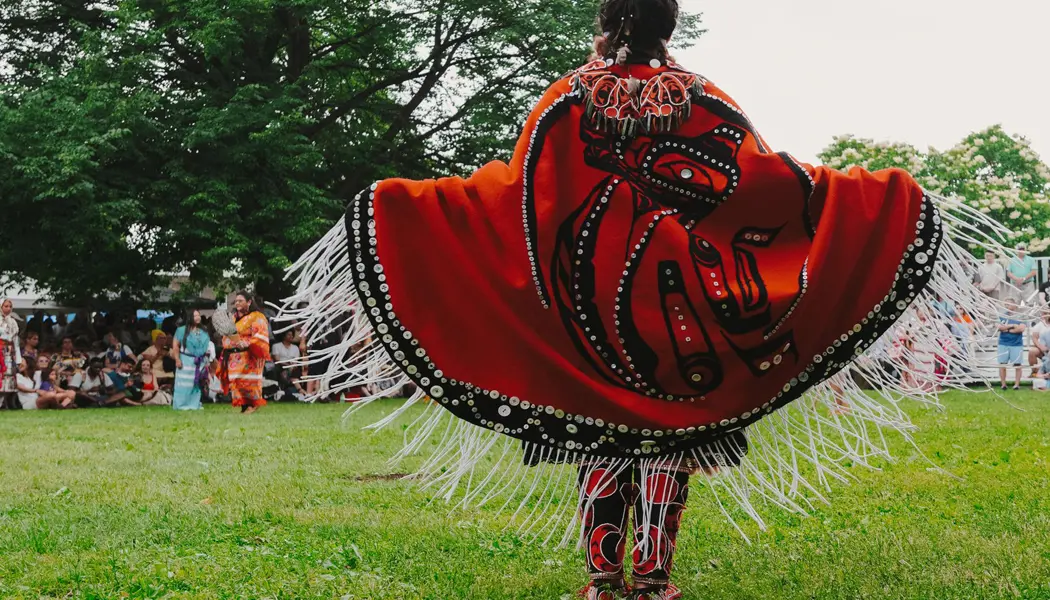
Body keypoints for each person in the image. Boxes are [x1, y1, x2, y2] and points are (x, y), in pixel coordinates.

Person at [279, 3, 1012, 598]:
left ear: (604, 26)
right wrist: (870, 202)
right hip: (687, 308)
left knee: (603, 438)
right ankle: (654, 579)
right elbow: (767, 187)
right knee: (672, 440)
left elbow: (519, 200)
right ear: (669, 26)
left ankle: (604, 580)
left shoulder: (565, 98)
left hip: (587, 305)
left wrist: (410, 210)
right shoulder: (705, 99)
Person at [217, 291, 271, 414]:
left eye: (240, 301)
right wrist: (229, 344)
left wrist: (247, 343)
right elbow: (226, 336)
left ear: (249, 302)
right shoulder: (233, 318)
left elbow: (261, 335)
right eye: (236, 301)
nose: (237, 303)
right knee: (236, 381)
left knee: (248, 382)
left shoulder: (257, 316)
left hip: (250, 355)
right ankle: (244, 406)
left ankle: (252, 405)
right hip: (234, 357)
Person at [172, 309, 213, 410]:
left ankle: (194, 404)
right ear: (189, 317)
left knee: (195, 384)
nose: (198, 317)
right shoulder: (181, 330)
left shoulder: (203, 330)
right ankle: (181, 405)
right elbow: (176, 346)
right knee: (183, 384)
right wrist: (177, 359)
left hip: (198, 361)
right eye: (195, 316)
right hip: (185, 359)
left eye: (198, 315)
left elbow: (205, 346)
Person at [998, 300, 1027, 391]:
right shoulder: (1002, 315)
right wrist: (1013, 325)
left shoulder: (1021, 316)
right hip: (1003, 343)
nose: (1007, 306)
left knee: (1017, 364)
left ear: (1015, 305)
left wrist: (1007, 329)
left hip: (1016, 344)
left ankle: (1016, 385)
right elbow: (1000, 327)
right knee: (1002, 364)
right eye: (1006, 304)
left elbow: (1021, 329)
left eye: (1009, 304)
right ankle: (1003, 385)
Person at [0, 298, 23, 410]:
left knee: (8, 376)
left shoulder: (13, 322)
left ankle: (3, 403)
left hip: (9, 353)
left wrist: (18, 359)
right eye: (6, 306)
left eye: (10, 306)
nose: (8, 308)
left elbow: (15, 341)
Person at [1030, 311, 1050, 376]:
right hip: (1043, 349)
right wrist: (1041, 346)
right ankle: (1035, 372)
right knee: (1032, 351)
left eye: (1048, 313)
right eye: (1045, 313)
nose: (1047, 315)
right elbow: (1034, 338)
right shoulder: (1039, 325)